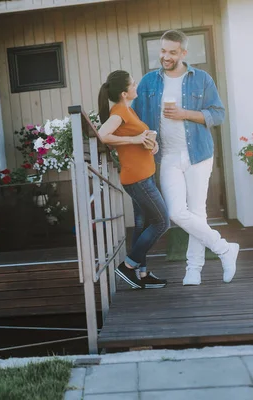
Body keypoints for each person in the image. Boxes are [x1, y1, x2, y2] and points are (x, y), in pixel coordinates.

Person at [132, 29, 239, 286]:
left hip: (198, 154)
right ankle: (224, 248)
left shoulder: (201, 78)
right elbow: (134, 118)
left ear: (183, 53)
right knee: (177, 212)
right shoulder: (149, 82)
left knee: (197, 211)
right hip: (166, 155)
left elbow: (218, 114)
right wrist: (141, 138)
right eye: (162, 51)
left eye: (171, 52)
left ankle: (194, 269)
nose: (165, 56)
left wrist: (184, 114)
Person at [97, 70, 170, 289]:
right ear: (124, 92)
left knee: (143, 223)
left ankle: (142, 273)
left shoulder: (128, 110)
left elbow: (136, 141)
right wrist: (134, 138)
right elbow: (102, 135)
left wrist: (151, 144)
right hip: (138, 179)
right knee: (162, 222)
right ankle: (127, 267)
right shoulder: (119, 111)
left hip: (143, 175)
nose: (136, 85)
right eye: (133, 83)